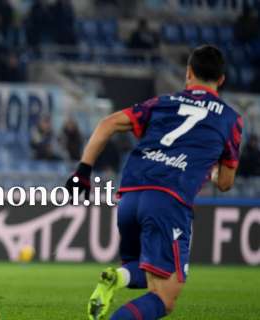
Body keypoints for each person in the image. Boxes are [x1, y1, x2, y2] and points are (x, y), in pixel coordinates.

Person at [66, 45, 242, 320]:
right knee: (164, 298)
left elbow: (108, 123)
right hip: (168, 201)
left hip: (130, 196)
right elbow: (225, 183)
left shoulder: (162, 103)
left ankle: (118, 277)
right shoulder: (230, 119)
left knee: (142, 268)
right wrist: (208, 169)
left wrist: (83, 172)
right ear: (221, 80)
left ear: (189, 73)